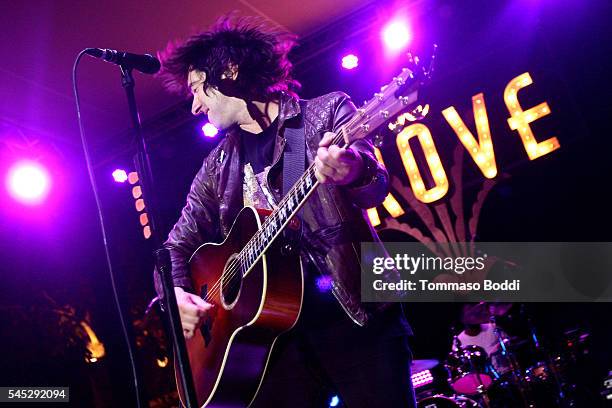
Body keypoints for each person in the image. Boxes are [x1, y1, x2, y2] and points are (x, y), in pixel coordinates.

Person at [154, 16, 415, 407]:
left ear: (229, 71)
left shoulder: (324, 114)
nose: (193, 106)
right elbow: (174, 247)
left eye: (196, 89)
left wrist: (352, 170)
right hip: (272, 344)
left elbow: (374, 182)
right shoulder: (215, 167)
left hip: (354, 319)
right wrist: (175, 294)